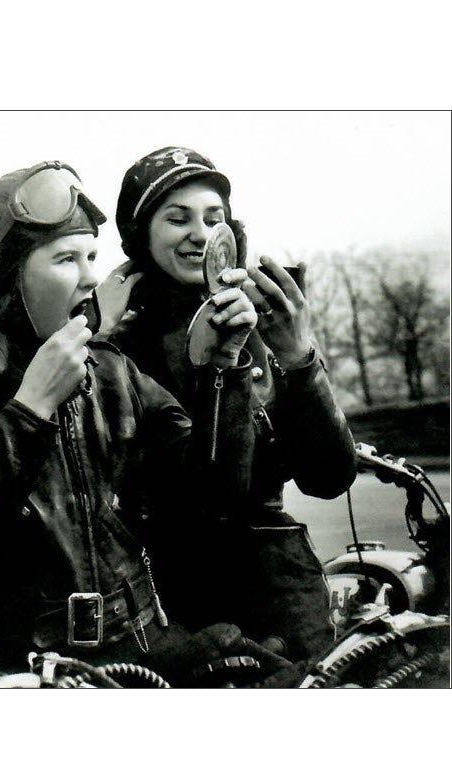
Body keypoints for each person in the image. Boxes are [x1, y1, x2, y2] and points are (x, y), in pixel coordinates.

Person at [0, 161, 284, 686]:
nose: (92, 276)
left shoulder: (115, 371)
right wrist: (29, 409)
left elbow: (212, 501)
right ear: (11, 272)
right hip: (10, 663)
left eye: (92, 256)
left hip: (140, 647)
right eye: (66, 258)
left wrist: (224, 373)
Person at [97, 146, 357, 661]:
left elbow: (328, 478)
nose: (200, 233)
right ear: (139, 237)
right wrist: (97, 340)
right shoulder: (121, 350)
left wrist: (301, 360)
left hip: (286, 595)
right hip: (175, 600)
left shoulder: (261, 328)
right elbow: (198, 500)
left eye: (213, 218)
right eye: (178, 219)